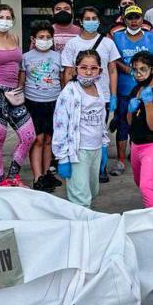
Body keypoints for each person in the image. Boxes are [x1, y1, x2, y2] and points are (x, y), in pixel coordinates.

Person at [0, 4, 36, 187]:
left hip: (14, 93)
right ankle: (2, 181)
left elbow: (18, 66)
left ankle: (14, 177)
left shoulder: (15, 38)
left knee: (28, 136)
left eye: (9, 17)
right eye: (1, 17)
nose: (5, 21)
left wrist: (19, 86)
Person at [62, 6, 121, 182]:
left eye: (94, 18)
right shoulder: (73, 44)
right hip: (78, 97)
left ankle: (100, 168)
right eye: (87, 18)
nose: (91, 21)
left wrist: (113, 94)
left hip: (100, 96)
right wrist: (67, 94)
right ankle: (79, 165)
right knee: (78, 132)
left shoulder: (108, 43)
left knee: (100, 131)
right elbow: (68, 71)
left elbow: (112, 70)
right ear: (80, 21)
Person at [52, 49, 109, 207]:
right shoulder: (69, 93)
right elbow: (60, 126)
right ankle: (81, 229)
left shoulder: (99, 89)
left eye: (93, 68)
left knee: (92, 190)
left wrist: (104, 144)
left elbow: (101, 118)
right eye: (84, 68)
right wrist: (62, 157)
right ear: (76, 69)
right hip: (78, 151)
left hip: (96, 149)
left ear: (100, 70)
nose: (88, 72)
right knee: (81, 198)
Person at [111, 5, 153, 176]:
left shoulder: (151, 37)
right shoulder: (117, 37)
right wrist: (129, 70)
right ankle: (121, 160)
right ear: (124, 19)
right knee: (123, 124)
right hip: (124, 89)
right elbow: (114, 60)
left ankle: (141, 157)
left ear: (141, 19)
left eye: (137, 17)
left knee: (144, 124)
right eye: (130, 17)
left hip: (145, 89)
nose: (133, 21)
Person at [20, 19, 64, 192]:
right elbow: (21, 81)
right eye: (41, 37)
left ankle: (46, 174)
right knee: (37, 140)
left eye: (47, 37)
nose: (44, 40)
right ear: (33, 39)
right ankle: (37, 177)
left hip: (54, 102)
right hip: (33, 102)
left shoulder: (57, 57)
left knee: (48, 140)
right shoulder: (25, 57)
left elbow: (61, 79)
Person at [127, 51, 153, 207]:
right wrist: (130, 110)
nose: (138, 74)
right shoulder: (135, 89)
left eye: (143, 69)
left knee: (147, 186)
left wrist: (148, 103)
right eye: (135, 70)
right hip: (136, 145)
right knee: (140, 183)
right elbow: (129, 122)